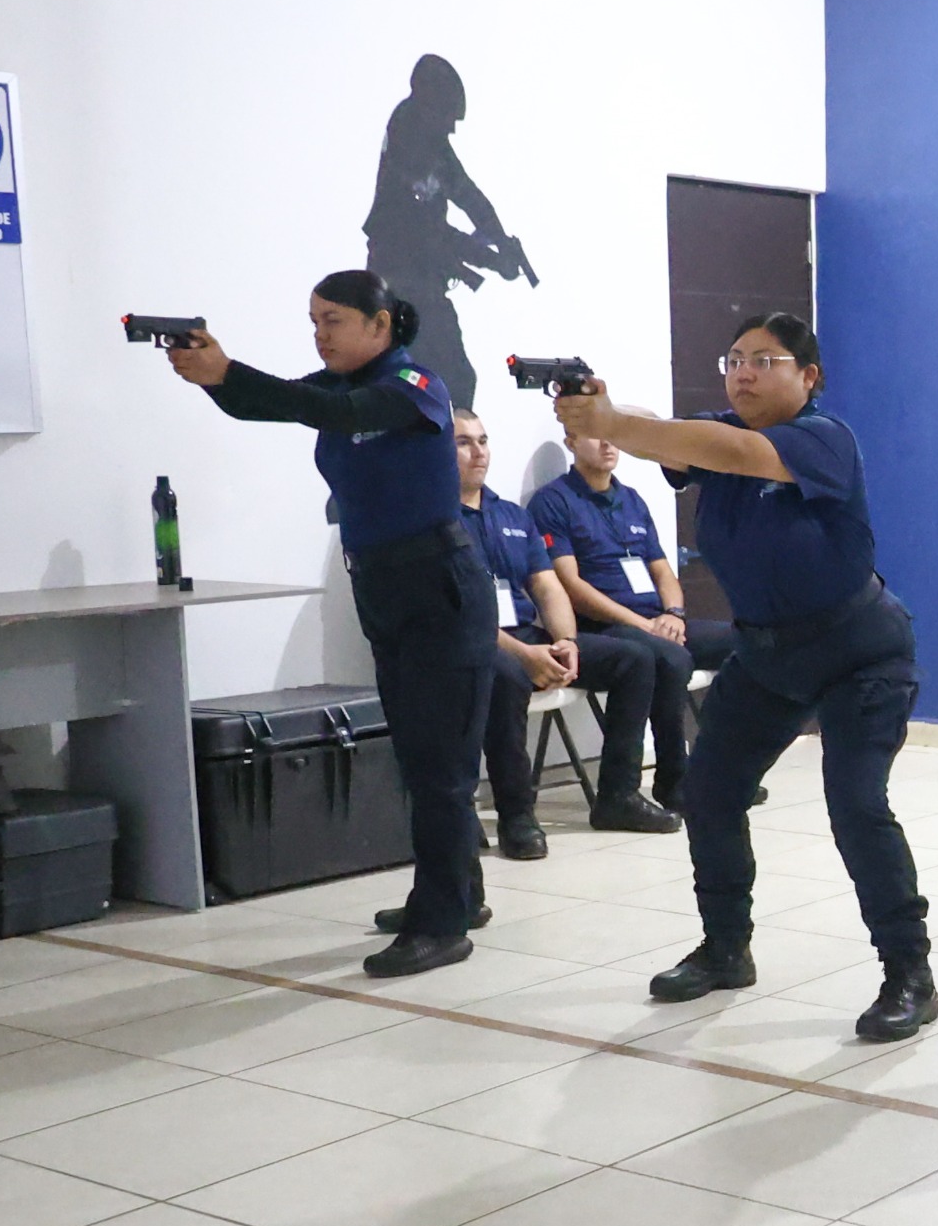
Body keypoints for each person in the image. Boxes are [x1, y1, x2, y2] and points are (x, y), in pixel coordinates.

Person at [553, 313, 937, 1041]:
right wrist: (603, 410)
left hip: (862, 651)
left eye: (766, 359)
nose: (744, 372)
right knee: (709, 791)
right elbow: (670, 433)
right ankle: (726, 947)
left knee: (856, 804)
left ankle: (908, 973)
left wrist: (617, 422)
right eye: (734, 358)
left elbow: (720, 447)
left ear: (809, 377)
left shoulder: (822, 439)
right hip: (766, 653)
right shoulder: (714, 433)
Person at [162, 270, 492, 977]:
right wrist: (212, 377)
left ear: (380, 324)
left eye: (334, 320)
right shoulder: (339, 388)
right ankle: (457, 888)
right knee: (418, 751)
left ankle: (443, 922)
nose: (320, 333)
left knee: (441, 764)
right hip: (382, 584)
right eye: (314, 320)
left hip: (440, 586)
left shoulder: (416, 384)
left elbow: (328, 411)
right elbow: (271, 403)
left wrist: (231, 373)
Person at [447, 409, 673, 859]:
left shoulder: (510, 514)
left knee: (636, 659)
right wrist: (526, 656)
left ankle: (618, 796)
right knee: (509, 675)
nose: (479, 452)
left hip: (529, 638)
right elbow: (456, 613)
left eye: (484, 440)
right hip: (471, 646)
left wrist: (565, 641)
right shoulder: (434, 522)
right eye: (463, 442)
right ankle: (517, 814)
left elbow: (548, 587)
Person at [529, 430, 739, 812]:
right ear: (571, 441)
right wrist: (645, 626)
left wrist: (673, 613)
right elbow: (570, 586)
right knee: (671, 659)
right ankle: (675, 780)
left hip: (657, 621)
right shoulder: (553, 502)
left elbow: (662, 571)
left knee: (740, 642)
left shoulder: (631, 500)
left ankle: (722, 768)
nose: (607, 444)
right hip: (604, 626)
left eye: (613, 436)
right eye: (595, 436)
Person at [361, 53, 534, 408]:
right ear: (429, 104)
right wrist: (490, 260)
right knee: (452, 379)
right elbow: (429, 231)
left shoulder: (427, 138)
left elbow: (468, 195)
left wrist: (500, 243)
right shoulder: (411, 138)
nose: (451, 129)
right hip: (405, 281)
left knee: (446, 380)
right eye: (447, 117)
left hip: (414, 279)